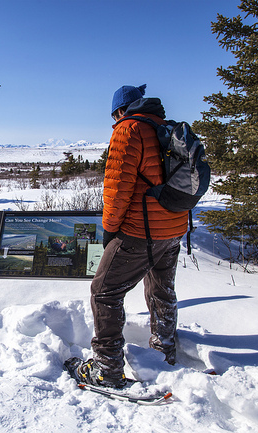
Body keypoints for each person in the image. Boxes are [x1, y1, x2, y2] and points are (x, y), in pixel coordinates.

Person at [74, 85, 188, 389]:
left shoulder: (129, 129)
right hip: (173, 229)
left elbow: (116, 188)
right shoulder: (169, 129)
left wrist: (110, 230)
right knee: (162, 289)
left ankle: (107, 369)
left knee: (104, 291)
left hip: (141, 231)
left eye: (114, 115)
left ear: (120, 111)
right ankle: (165, 349)